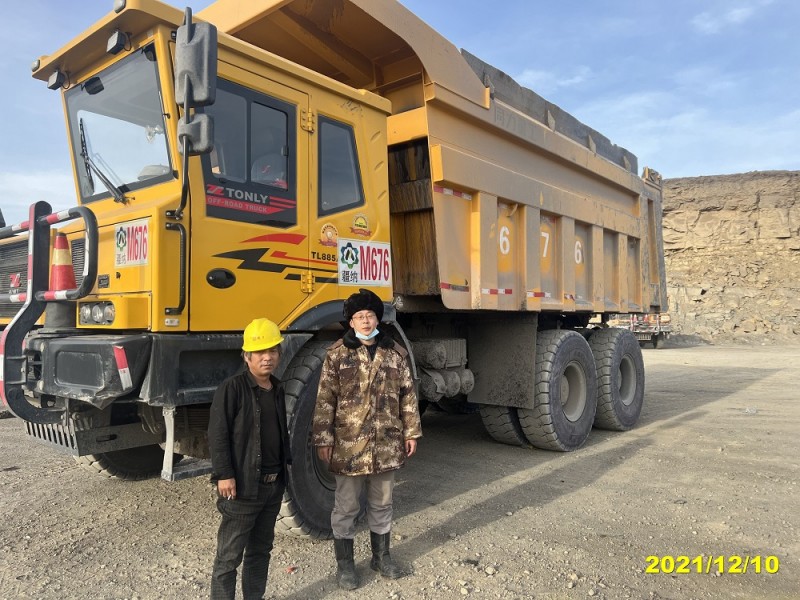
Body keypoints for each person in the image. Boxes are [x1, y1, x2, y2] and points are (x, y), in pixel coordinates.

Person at [313, 288, 422, 590]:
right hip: (350, 446)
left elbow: (408, 396)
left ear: (377, 319)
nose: (365, 321)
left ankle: (381, 557)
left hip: (387, 443)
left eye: (370, 315)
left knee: (382, 503)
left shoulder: (394, 354)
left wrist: (411, 432)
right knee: (346, 506)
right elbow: (325, 400)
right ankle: (345, 565)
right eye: (359, 316)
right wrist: (323, 439)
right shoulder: (337, 355)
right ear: (351, 322)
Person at [208, 318, 291, 600]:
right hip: (243, 487)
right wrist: (224, 474)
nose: (267, 357)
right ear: (247, 357)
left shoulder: (277, 388)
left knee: (260, 551)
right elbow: (217, 434)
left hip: (272, 486)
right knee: (229, 557)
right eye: (260, 352)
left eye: (272, 351)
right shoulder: (232, 388)